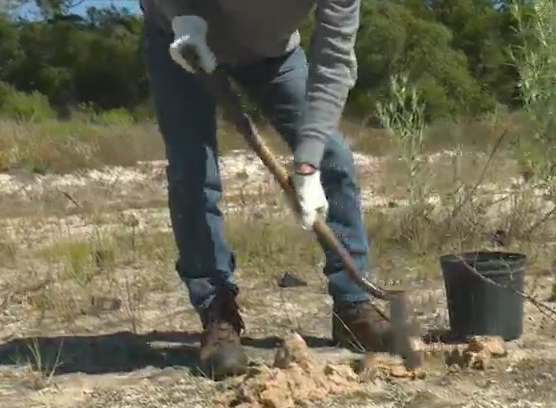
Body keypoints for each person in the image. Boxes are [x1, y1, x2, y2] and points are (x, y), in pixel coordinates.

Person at [140, 0, 392, 379]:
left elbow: (334, 62)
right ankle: (217, 311)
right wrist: (180, 15)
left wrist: (307, 163)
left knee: (332, 156)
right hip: (178, 33)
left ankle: (352, 303)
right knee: (193, 170)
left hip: (273, 56)